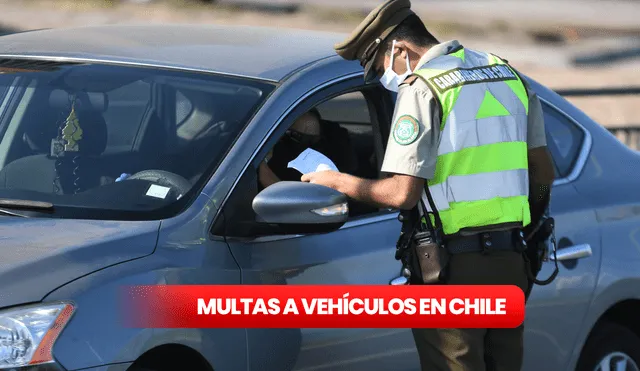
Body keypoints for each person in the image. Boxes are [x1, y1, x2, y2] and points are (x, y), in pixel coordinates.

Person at [300, 0, 556, 370]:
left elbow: (403, 194)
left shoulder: (422, 88)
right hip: (510, 260)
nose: (386, 77)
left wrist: (337, 181)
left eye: (379, 67)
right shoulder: (505, 73)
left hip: (453, 268)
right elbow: (543, 174)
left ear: (399, 50)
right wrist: (529, 232)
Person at [259, 108, 359, 189]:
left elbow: (290, 199)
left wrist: (262, 167)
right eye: (289, 134)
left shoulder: (325, 168)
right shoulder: (271, 152)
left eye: (300, 137)